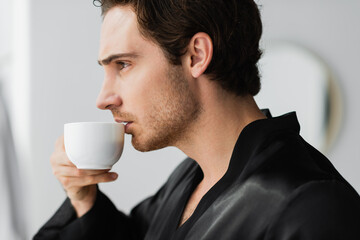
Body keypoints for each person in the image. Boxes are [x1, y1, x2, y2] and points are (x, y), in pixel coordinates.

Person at [34, 0, 360, 239]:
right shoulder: (189, 178)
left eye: (123, 65)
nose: (103, 99)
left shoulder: (311, 209)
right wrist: (84, 196)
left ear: (196, 56)